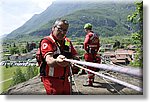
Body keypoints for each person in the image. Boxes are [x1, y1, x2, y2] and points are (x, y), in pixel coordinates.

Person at [40, 19, 79, 95]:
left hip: (65, 80)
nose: (62, 32)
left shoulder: (67, 42)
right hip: (52, 81)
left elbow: (75, 55)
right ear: (53, 28)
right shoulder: (47, 41)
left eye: (65, 30)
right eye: (59, 29)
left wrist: (75, 62)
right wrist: (57, 61)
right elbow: (49, 59)